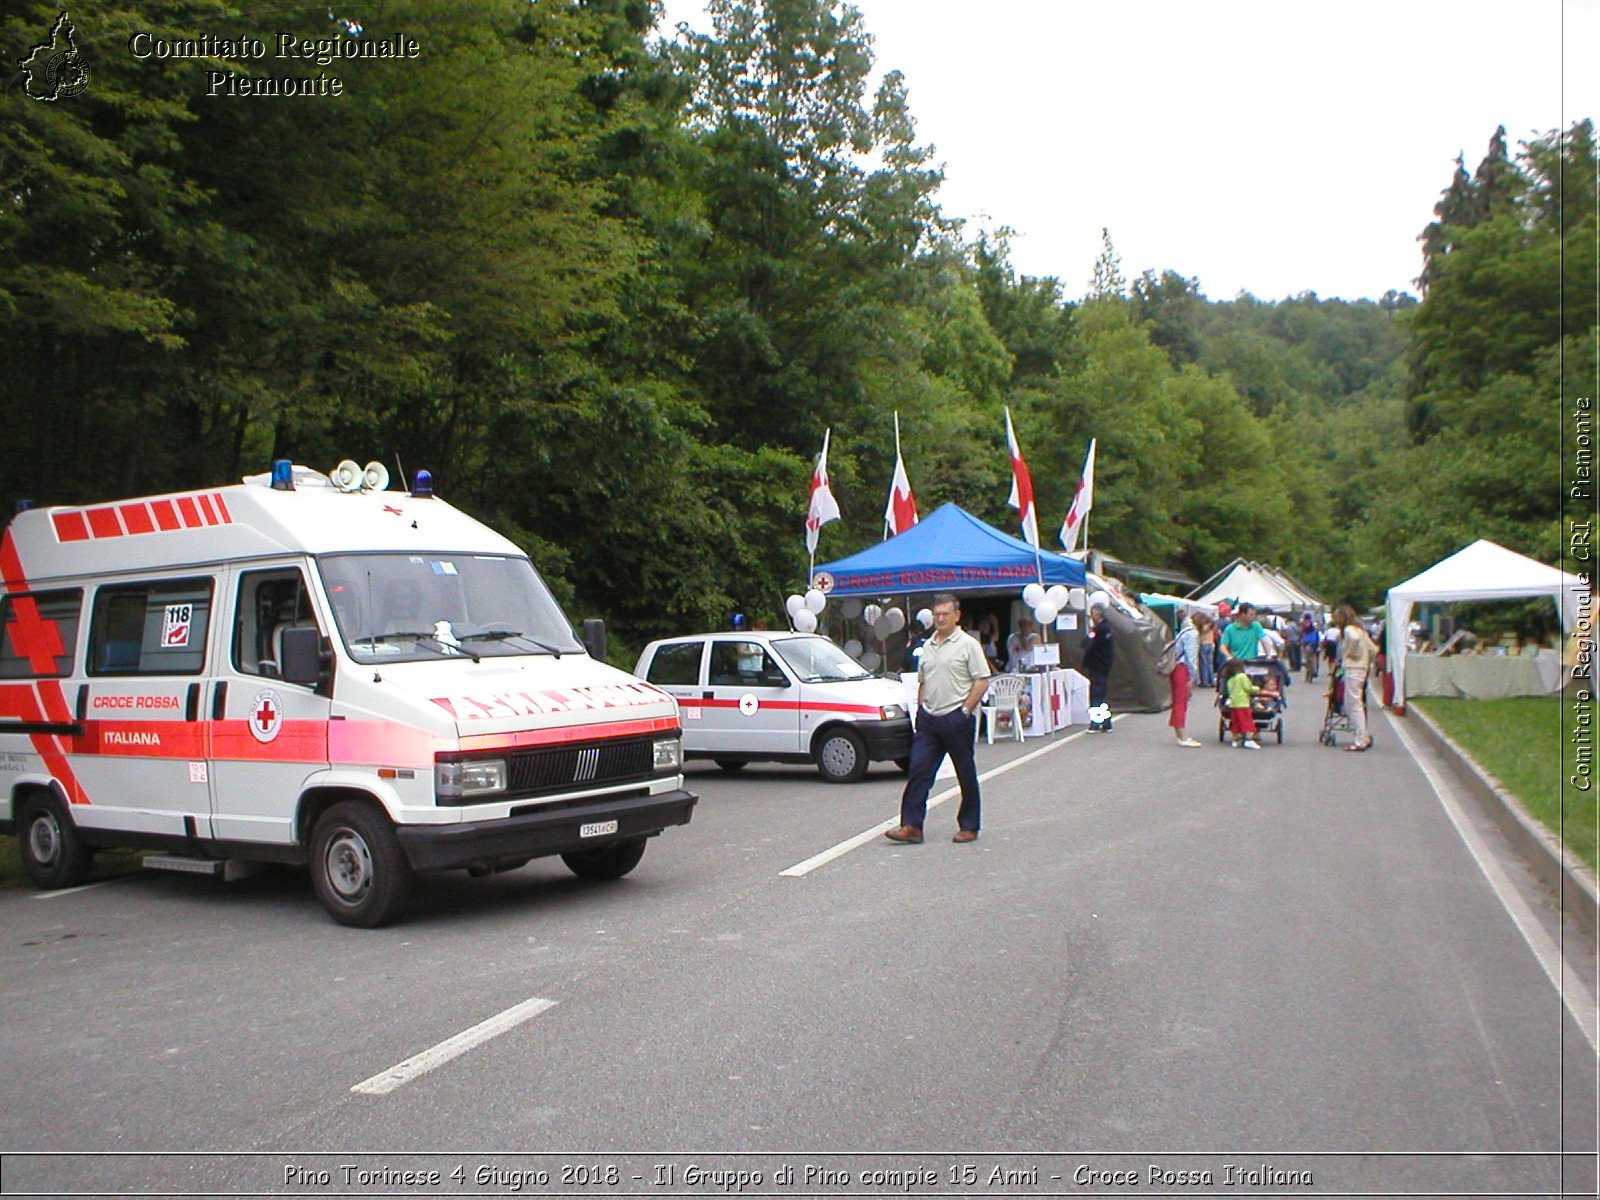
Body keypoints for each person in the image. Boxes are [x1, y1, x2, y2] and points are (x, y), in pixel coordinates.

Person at [886, 593, 992, 845]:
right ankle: (911, 826)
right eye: (936, 615)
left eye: (945, 614)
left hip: (957, 718)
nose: (940, 619)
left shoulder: (968, 645)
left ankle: (969, 825)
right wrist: (920, 709)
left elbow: (982, 680)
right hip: (930, 720)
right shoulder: (928, 645)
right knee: (918, 771)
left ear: (957, 616)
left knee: (965, 773)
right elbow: (922, 680)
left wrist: (965, 710)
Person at [1334, 604, 1376, 751]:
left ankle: (1360, 739)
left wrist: (1351, 653)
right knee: (1356, 702)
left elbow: (1354, 639)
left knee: (1352, 704)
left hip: (1353, 667)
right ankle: (1363, 735)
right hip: (1363, 668)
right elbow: (1373, 649)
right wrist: (1367, 661)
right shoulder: (1362, 630)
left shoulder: (1349, 630)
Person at [1169, 609, 1202, 747]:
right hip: (1183, 669)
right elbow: (1191, 657)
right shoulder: (1193, 634)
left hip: (1176, 667)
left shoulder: (1183, 631)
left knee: (1178, 700)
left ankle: (1180, 733)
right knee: (1181, 702)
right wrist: (1194, 677)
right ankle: (1183, 736)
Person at [1081, 603, 1115, 731]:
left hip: (1098, 665)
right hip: (1102, 665)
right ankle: (1106, 723)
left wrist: (1090, 634)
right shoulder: (1105, 629)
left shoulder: (1101, 630)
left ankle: (1096, 723)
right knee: (1101, 694)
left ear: (1098, 614)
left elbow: (1087, 644)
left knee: (1097, 694)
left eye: (1093, 613)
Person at [1221, 658, 1262, 750]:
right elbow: (1248, 688)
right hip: (1242, 703)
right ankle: (1248, 740)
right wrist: (1258, 688)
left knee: (1236, 722)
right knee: (1247, 722)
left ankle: (1235, 739)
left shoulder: (1230, 679)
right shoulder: (1242, 676)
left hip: (1233, 704)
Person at [1195, 612, 1218, 688]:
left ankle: (1205, 681)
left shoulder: (1204, 625)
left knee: (1203, 664)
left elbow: (1201, 634)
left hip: (1203, 644)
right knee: (1210, 664)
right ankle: (1211, 681)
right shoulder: (1212, 625)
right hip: (1211, 644)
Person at [1300, 614, 1321, 682]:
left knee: (1306, 656)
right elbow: (1317, 633)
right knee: (1313, 656)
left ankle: (1307, 669)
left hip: (1305, 641)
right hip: (1313, 641)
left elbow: (1301, 633)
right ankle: (1314, 669)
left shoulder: (1303, 624)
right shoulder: (1314, 624)